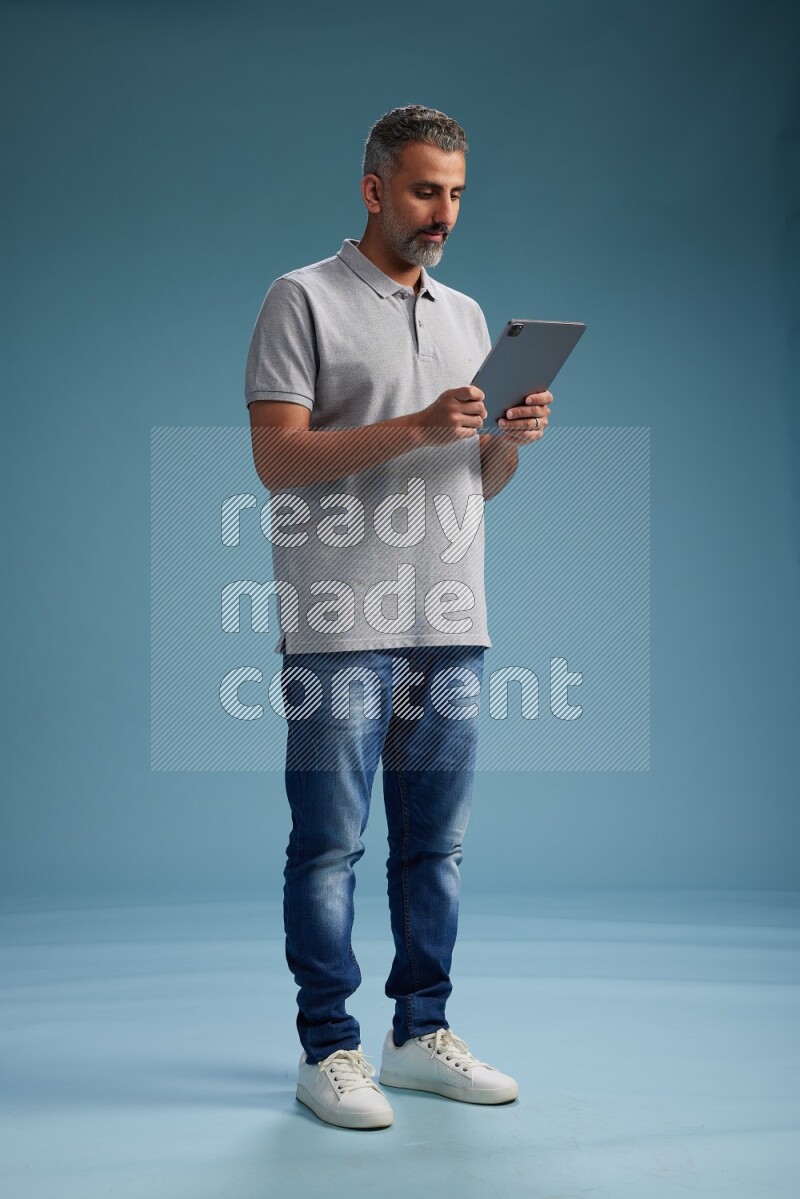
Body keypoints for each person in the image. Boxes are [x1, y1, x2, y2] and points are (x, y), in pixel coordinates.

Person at [245, 104, 552, 1130]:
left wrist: (507, 437)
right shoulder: (301, 299)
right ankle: (327, 1048)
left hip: (452, 615)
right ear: (373, 188)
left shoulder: (468, 317)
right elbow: (277, 458)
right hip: (340, 617)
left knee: (437, 847)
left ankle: (419, 1032)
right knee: (328, 843)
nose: (444, 213)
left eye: (457, 193)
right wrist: (415, 423)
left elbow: (479, 483)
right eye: (426, 190)